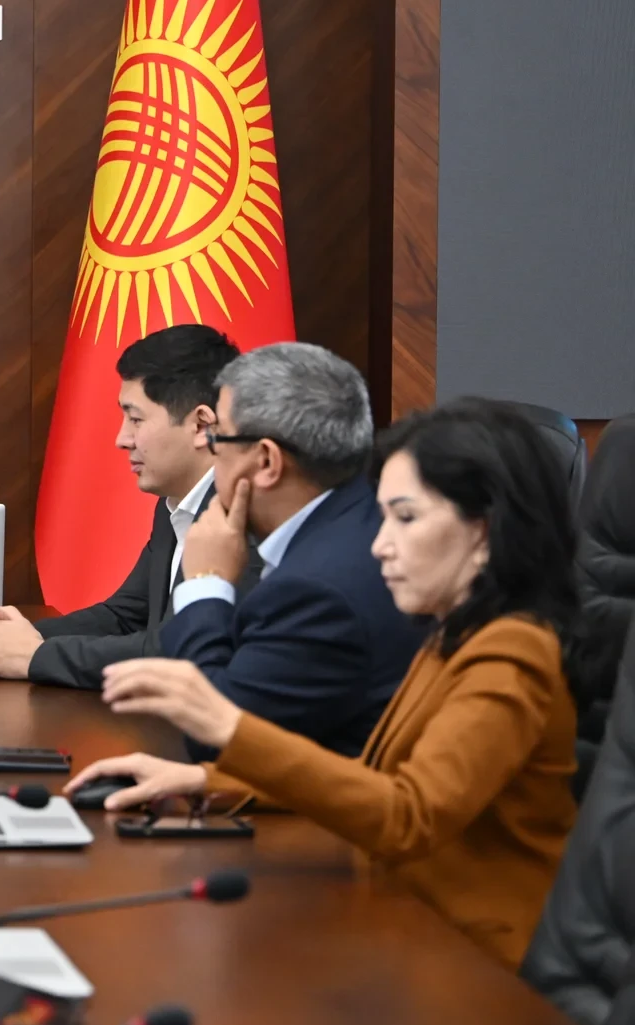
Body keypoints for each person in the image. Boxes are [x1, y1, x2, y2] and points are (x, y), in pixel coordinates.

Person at [67, 400, 582, 970]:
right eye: (382, 518)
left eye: (405, 518)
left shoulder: (512, 653)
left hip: (476, 966)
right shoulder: (454, 633)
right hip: (405, 923)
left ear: (483, 532)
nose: (380, 544)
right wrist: (210, 781)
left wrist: (230, 727)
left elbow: (409, 815)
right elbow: (373, 774)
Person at [0, 324, 259, 686]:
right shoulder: (177, 503)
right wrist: (8, 637)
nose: (122, 439)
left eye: (136, 419)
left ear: (201, 425)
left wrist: (33, 656)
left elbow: (178, 653)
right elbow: (126, 617)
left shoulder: (247, 516)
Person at [150, 341, 421, 758]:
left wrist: (204, 583)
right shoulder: (356, 519)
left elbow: (215, 738)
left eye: (217, 439)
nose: (209, 453)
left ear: (266, 462)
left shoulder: (319, 590)